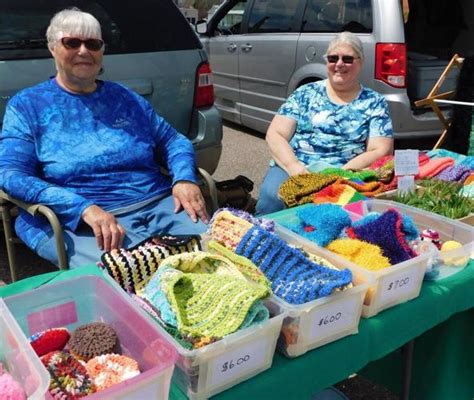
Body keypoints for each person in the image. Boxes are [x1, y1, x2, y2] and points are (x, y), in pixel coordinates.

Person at [0, 8, 208, 268]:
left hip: (157, 202)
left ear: (102, 51)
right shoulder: (28, 106)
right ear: (53, 47)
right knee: (130, 277)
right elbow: (11, 174)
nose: (84, 51)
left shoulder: (125, 98)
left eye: (93, 43)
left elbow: (173, 141)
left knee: (214, 254)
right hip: (82, 220)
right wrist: (82, 207)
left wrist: (185, 178)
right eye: (72, 42)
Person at [256, 31, 394, 215]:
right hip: (298, 166)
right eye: (333, 58)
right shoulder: (305, 93)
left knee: (344, 213)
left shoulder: (374, 102)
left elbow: (380, 149)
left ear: (360, 62)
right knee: (273, 199)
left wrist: (341, 174)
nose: (339, 64)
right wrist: (294, 168)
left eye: (347, 59)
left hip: (347, 171)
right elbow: (275, 134)